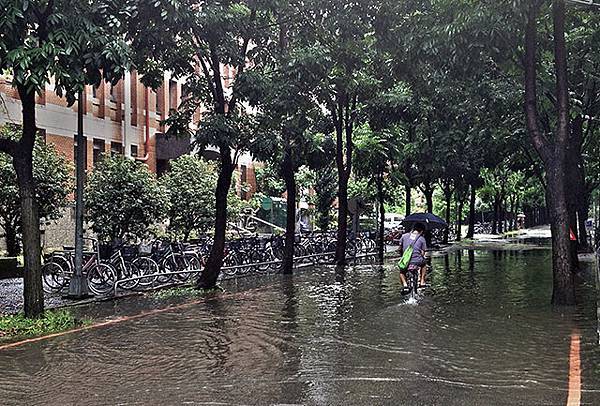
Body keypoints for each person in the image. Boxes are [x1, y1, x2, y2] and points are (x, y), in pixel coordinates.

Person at [398, 222, 428, 294]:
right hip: (417, 261)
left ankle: (405, 285)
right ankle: (422, 281)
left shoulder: (404, 236)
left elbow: (400, 249)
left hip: (406, 262)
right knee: (424, 265)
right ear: (421, 231)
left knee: (402, 271)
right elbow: (423, 253)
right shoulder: (422, 238)